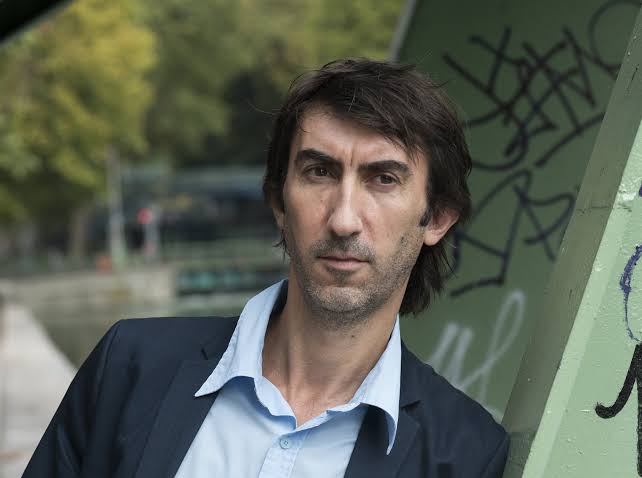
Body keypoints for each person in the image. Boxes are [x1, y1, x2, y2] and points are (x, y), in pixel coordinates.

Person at [23, 58, 508, 478]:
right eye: (319, 172)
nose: (343, 220)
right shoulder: (129, 366)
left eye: (383, 179)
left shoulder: (465, 454)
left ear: (437, 217)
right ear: (279, 202)